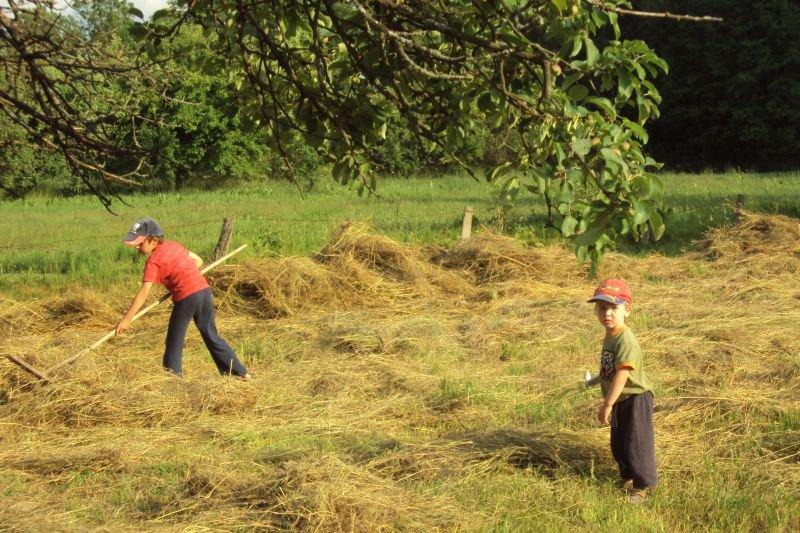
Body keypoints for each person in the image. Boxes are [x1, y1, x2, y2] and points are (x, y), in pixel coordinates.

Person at [115, 217, 251, 380]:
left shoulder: (153, 261)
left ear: (154, 240)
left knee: (174, 340)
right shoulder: (174, 246)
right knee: (211, 334)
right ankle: (239, 372)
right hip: (204, 292)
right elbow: (198, 260)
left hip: (187, 298)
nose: (137, 247)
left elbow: (144, 292)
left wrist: (126, 319)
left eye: (140, 243)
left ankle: (173, 379)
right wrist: (184, 275)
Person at [586, 278, 657, 502]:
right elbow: (611, 368)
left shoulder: (625, 338)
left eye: (613, 308)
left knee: (635, 442)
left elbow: (623, 373)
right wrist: (595, 381)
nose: (607, 313)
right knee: (618, 442)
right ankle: (627, 476)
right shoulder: (610, 335)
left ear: (627, 310)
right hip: (620, 398)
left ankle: (642, 486)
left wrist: (607, 404)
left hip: (634, 397)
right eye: (602, 308)